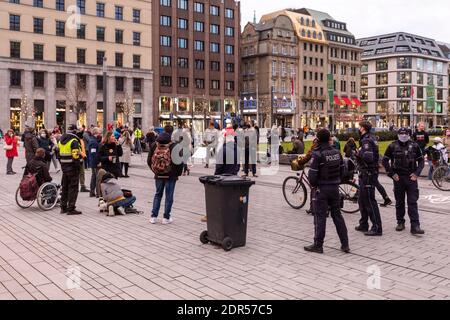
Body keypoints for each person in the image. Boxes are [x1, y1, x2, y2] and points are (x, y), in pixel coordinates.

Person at [304, 129, 350, 254]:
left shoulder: (317, 154)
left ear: (318, 139)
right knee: (337, 216)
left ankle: (318, 245)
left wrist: (315, 185)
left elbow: (312, 176)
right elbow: (342, 171)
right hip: (335, 188)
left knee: (320, 217)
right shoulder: (336, 152)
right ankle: (345, 244)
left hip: (322, 189)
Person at [382, 127, 425, 235]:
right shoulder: (392, 146)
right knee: (399, 202)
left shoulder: (415, 146)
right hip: (398, 178)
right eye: (401, 134)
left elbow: (421, 161)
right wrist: (392, 174)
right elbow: (385, 160)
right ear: (398, 134)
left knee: (412, 202)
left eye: (405, 134)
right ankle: (400, 222)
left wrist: (416, 173)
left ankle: (415, 226)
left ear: (409, 134)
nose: (403, 136)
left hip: (411, 178)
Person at [148, 125, 183, 225]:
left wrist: (155, 170)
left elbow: (148, 160)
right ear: (172, 133)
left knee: (158, 194)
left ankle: (153, 217)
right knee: (169, 196)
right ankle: (166, 218)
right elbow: (179, 162)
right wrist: (177, 174)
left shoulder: (155, 144)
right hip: (171, 175)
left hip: (158, 175)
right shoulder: (175, 146)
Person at [355, 121, 383, 236]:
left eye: (360, 127)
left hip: (368, 173)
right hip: (366, 172)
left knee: (369, 200)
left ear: (363, 128)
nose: (359, 129)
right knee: (361, 199)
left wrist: (358, 153)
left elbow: (368, 157)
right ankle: (364, 223)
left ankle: (377, 227)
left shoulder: (366, 140)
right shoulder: (370, 138)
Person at [58, 124, 82, 215]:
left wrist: (62, 164)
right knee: (73, 188)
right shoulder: (74, 141)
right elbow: (76, 156)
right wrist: (78, 166)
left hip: (64, 167)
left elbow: (57, 153)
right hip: (72, 167)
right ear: (75, 131)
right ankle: (71, 208)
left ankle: (63, 207)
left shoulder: (61, 141)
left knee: (65, 187)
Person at [87, 128, 102, 198]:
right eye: (99, 133)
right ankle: (97, 193)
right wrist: (98, 162)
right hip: (95, 162)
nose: (100, 134)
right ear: (95, 133)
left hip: (93, 162)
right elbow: (93, 154)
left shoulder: (94, 141)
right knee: (97, 177)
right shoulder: (93, 142)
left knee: (94, 177)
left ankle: (92, 191)